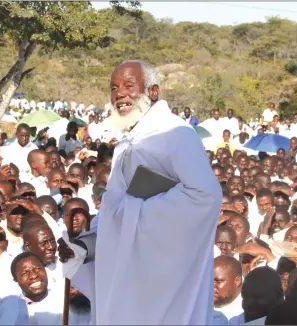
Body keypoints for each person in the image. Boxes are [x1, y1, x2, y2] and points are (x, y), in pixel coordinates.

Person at [58, 60, 222, 324]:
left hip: (162, 284)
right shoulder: (128, 141)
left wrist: (131, 213)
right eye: (114, 88)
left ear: (153, 92)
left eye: (128, 86)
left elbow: (205, 197)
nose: (119, 94)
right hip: (127, 276)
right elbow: (114, 210)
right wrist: (84, 247)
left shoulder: (176, 133)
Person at [212, 256, 243, 324]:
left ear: (237, 280)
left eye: (219, 281)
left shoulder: (250, 311)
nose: (211, 286)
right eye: (209, 280)